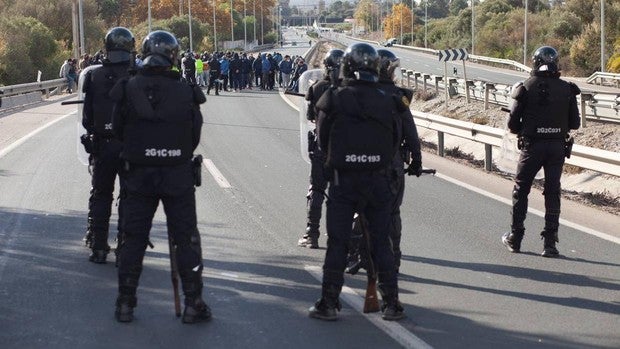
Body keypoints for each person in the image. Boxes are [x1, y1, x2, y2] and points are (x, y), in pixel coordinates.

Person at [110, 30, 210, 323]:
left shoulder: (128, 87)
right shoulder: (185, 90)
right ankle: (193, 303)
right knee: (186, 239)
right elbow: (194, 135)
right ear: (173, 56)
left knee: (132, 238)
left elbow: (117, 130)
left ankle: (125, 303)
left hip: (138, 175)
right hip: (177, 175)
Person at [308, 43, 406, 321]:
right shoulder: (390, 100)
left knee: (337, 244)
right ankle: (392, 303)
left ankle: (328, 303)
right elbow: (395, 141)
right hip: (379, 182)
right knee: (381, 244)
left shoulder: (332, 98)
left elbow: (322, 140)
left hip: (344, 182)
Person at [345, 49, 423, 274]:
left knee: (359, 209)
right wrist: (416, 162)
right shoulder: (398, 97)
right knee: (391, 212)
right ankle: (393, 261)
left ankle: (356, 256)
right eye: (392, 69)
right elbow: (411, 133)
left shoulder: (355, 94)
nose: (394, 73)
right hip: (392, 165)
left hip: (362, 163)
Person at [501, 46, 580, 258]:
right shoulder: (567, 88)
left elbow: (512, 125)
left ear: (534, 62)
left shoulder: (525, 87)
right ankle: (550, 243)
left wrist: (529, 127)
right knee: (553, 191)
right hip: (556, 148)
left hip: (532, 146)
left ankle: (515, 238)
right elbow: (575, 123)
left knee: (521, 189)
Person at [81, 27, 136, 264]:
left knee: (101, 194)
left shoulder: (94, 76)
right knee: (130, 196)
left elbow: (86, 119)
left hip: (103, 146)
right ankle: (125, 247)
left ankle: (98, 246)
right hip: (132, 148)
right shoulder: (139, 76)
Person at [297, 49, 344, 249]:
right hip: (345, 149)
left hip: (321, 148)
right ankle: (344, 237)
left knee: (316, 190)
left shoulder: (316, 87)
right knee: (344, 194)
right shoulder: (350, 88)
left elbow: (309, 116)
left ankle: (312, 233)